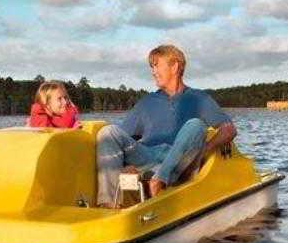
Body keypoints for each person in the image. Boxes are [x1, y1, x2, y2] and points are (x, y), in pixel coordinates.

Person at [96, 45, 236, 206]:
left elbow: (229, 129)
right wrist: (126, 165)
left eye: (156, 65)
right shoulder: (147, 102)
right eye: (152, 67)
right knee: (108, 132)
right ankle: (108, 204)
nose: (153, 72)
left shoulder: (199, 98)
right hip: (147, 156)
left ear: (175, 66)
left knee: (196, 125)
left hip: (179, 158)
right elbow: (122, 138)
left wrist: (202, 153)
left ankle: (159, 180)